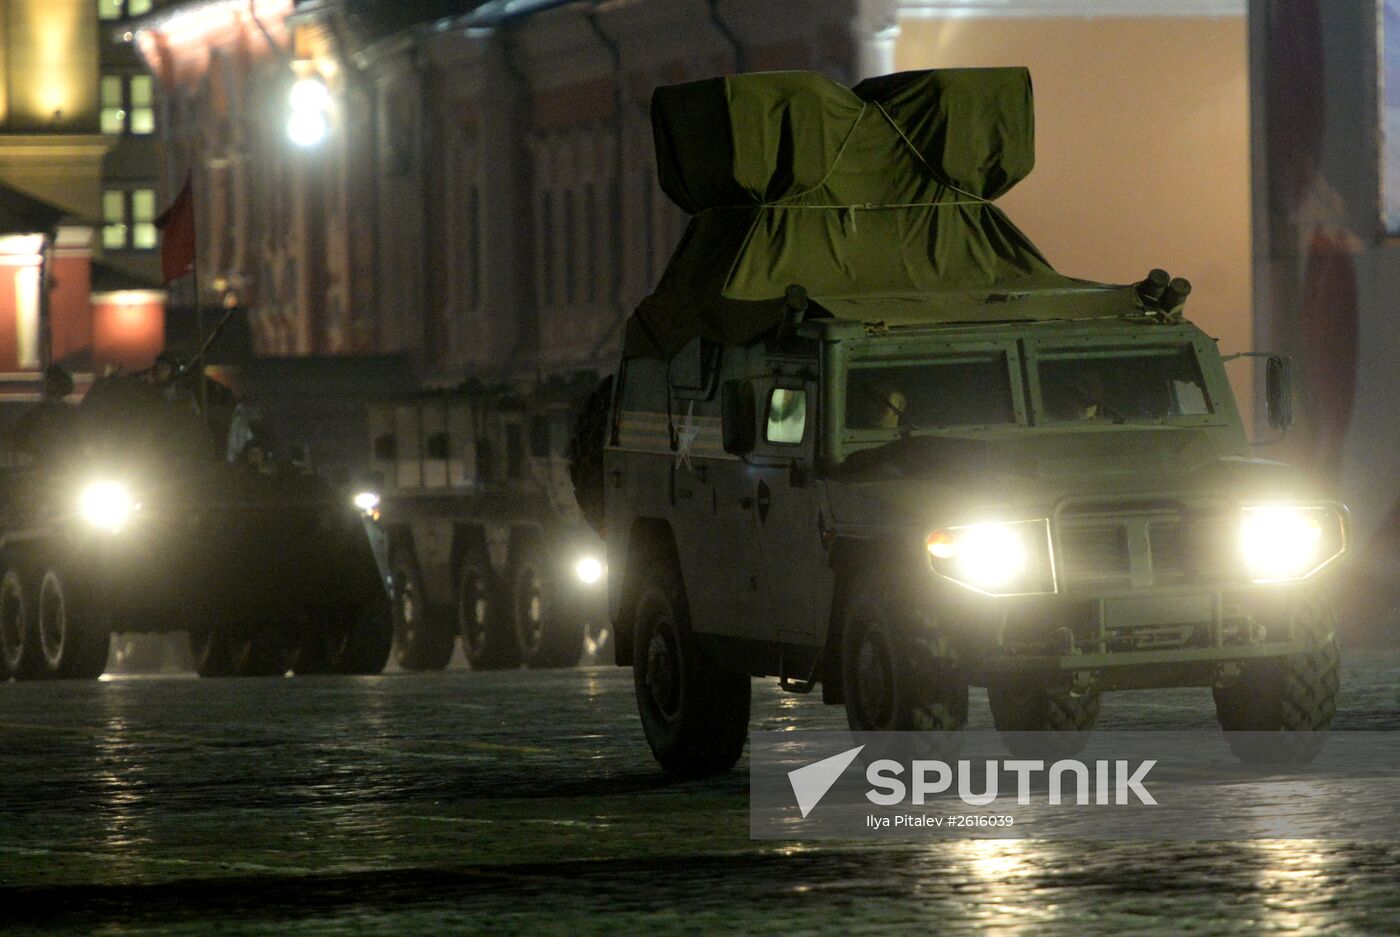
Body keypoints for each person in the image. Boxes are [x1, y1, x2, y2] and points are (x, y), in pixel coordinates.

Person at [13, 364, 81, 464]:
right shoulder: (71, 413)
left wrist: (37, 452)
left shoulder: (38, 413)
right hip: (64, 465)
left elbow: (19, 437)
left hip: (53, 464)